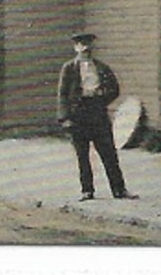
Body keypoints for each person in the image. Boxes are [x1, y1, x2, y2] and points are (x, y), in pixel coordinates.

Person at [57, 32, 137, 201]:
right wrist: (65, 118)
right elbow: (62, 95)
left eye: (88, 45)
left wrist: (102, 99)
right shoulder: (69, 68)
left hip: (97, 113)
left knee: (109, 153)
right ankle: (87, 191)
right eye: (81, 45)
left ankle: (119, 190)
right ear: (75, 48)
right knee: (83, 155)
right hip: (77, 115)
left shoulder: (101, 67)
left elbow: (115, 88)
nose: (85, 49)